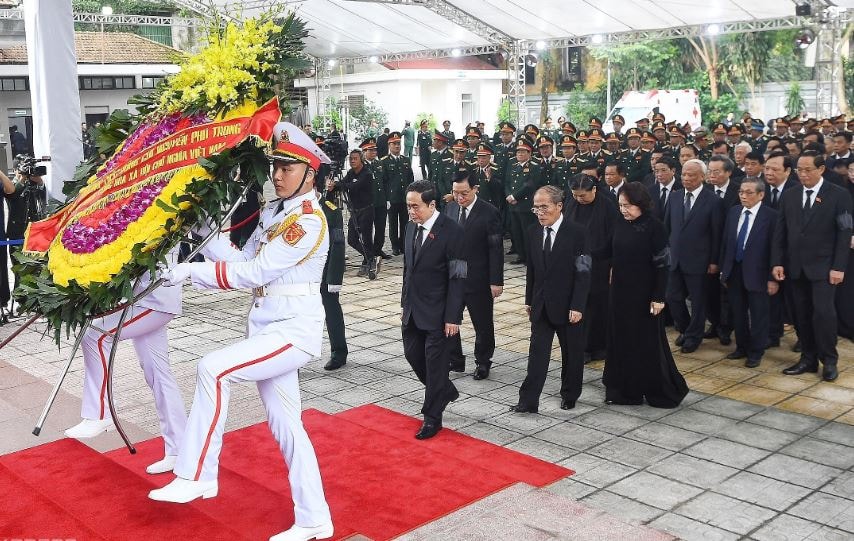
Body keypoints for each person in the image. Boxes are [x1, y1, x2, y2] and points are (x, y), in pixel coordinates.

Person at [149, 123, 334, 541]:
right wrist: (202, 230)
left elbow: (254, 273)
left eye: (288, 168)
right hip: (268, 327)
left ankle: (198, 473)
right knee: (289, 430)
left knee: (213, 369)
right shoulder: (276, 213)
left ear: (310, 174)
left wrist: (191, 271)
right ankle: (314, 518)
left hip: (292, 332)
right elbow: (240, 255)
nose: (278, 175)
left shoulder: (307, 222)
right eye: (276, 167)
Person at [64, 262, 187, 476]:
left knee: (96, 335)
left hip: (156, 300)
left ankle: (100, 414)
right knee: (158, 375)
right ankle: (180, 450)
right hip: (144, 298)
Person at [604, 184, 688, 407]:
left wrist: (659, 297)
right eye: (621, 205)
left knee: (645, 342)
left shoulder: (654, 227)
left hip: (645, 295)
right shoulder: (619, 223)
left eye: (628, 206)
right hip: (620, 292)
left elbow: (663, 264)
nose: (623, 210)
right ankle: (625, 391)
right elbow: (607, 250)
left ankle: (656, 389)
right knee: (621, 339)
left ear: (641, 204)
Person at [772, 151, 853, 382]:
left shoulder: (839, 195)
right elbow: (780, 232)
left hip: (825, 268)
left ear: (821, 170)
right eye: (800, 170)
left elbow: (844, 232)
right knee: (801, 315)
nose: (803, 174)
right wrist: (777, 262)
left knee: (824, 314)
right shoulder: (790, 195)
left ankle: (829, 360)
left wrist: (839, 267)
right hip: (795, 267)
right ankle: (808, 358)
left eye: (808, 170)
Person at [512, 185, 590, 413]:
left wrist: (577, 305)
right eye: (536, 208)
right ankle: (528, 400)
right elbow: (532, 270)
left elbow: (584, 272)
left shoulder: (578, 232)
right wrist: (529, 299)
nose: (539, 212)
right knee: (537, 353)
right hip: (541, 304)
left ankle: (570, 394)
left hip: (568, 306)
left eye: (544, 207)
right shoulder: (533, 231)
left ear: (559, 206)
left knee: (572, 353)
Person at [401, 180, 465, 439]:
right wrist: (405, 304)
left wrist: (453, 316)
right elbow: (409, 270)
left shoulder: (452, 231)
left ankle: (432, 417)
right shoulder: (410, 227)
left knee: (436, 365)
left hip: (439, 313)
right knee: (412, 355)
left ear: (432, 205)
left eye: (416, 207)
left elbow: (459, 276)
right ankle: (445, 391)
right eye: (408, 207)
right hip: (413, 310)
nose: (411, 212)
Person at [443, 170, 503, 380]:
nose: (460, 198)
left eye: (465, 193)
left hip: (479, 277)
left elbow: (496, 248)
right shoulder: (449, 208)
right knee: (450, 318)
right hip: (453, 277)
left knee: (483, 323)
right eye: (456, 192)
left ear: (476, 189)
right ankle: (455, 359)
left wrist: (496, 281)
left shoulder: (489, 212)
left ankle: (483, 361)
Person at [664, 159, 723, 354]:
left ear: (703, 177)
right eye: (684, 175)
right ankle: (686, 328)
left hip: (700, 260)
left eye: (692, 175)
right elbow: (668, 227)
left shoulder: (713, 200)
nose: (687, 178)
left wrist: (714, 261)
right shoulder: (675, 197)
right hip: (675, 258)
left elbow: (716, 233)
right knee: (672, 297)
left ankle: (694, 336)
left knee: (698, 301)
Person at [719, 177, 778, 367]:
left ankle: (756, 351)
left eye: (749, 193)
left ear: (761, 195)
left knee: (759, 313)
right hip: (735, 270)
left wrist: (772, 278)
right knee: (738, 312)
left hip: (759, 273)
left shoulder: (771, 216)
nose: (743, 196)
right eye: (741, 192)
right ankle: (741, 346)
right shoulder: (734, 212)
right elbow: (726, 243)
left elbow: (775, 249)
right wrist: (724, 270)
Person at [564, 174, 619, 363]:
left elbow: (615, 237)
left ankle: (600, 346)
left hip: (600, 264)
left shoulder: (608, 206)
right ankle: (583, 347)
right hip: (576, 264)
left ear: (594, 190)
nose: (579, 199)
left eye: (583, 196)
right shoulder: (571, 204)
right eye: (575, 195)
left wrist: (613, 265)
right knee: (580, 304)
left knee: (599, 306)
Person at [320, 173, 348, 371]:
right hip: (298, 277)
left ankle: (339, 351)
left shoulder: (331, 212)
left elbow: (338, 246)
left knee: (331, 311)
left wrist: (334, 277)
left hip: (323, 273)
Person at [505, 135, 543, 265]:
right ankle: (521, 255)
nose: (520, 154)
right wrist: (509, 195)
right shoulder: (513, 165)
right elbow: (507, 183)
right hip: (513, 205)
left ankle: (529, 256)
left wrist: (515, 196)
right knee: (516, 232)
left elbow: (530, 185)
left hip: (526, 205)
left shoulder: (535, 166)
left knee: (527, 232)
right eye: (518, 151)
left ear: (529, 153)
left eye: (523, 151)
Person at [339, 149, 377, 279]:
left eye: (355, 158)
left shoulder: (366, 173)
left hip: (366, 210)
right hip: (354, 212)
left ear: (361, 159)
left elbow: (353, 186)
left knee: (366, 239)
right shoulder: (350, 173)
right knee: (352, 240)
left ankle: (368, 262)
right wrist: (337, 185)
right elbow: (343, 183)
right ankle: (371, 258)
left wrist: (341, 185)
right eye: (350, 159)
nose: (352, 161)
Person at [380, 131, 415, 256]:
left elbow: (410, 178)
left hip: (404, 197)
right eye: (394, 144)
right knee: (393, 223)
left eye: (399, 143)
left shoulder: (405, 160)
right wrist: (386, 199)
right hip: (392, 198)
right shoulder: (384, 161)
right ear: (389, 145)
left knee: (405, 222)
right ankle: (395, 245)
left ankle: (403, 244)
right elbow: (383, 182)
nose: (397, 146)